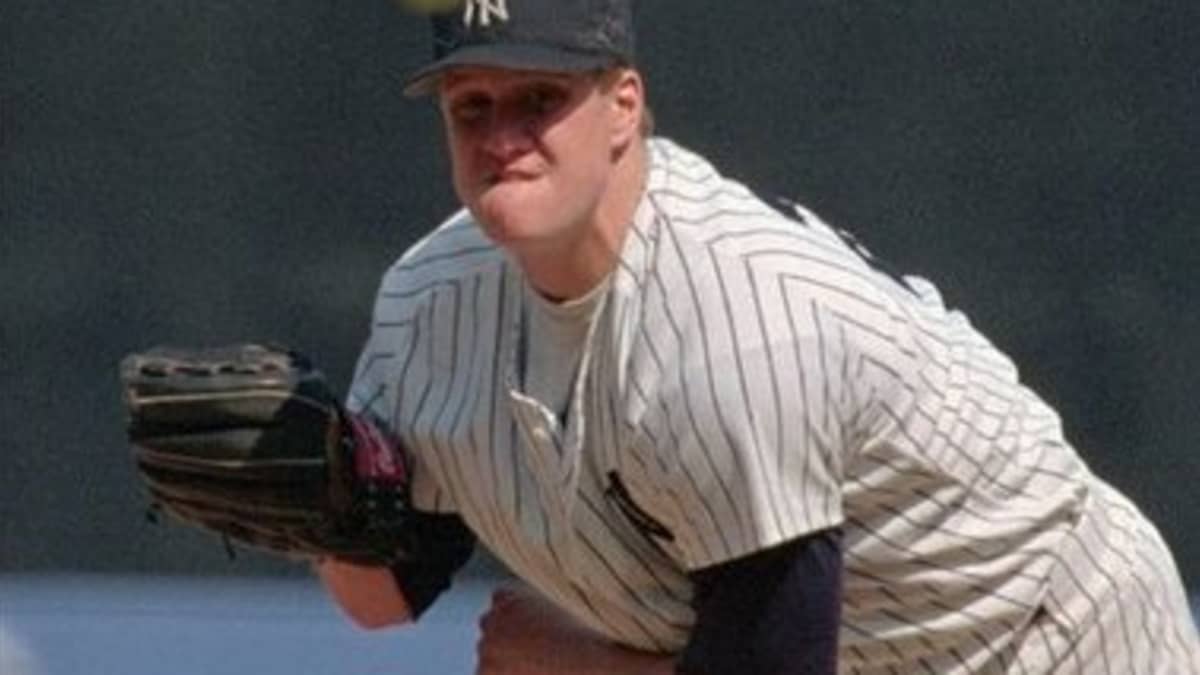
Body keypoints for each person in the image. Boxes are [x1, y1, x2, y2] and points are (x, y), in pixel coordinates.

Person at [316, 0, 1200, 672]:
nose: (502, 138)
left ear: (624, 107)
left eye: (539, 99)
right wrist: (314, 499)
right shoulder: (430, 304)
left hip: (1046, 637)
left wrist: (580, 660)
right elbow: (385, 592)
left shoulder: (731, 327)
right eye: (472, 107)